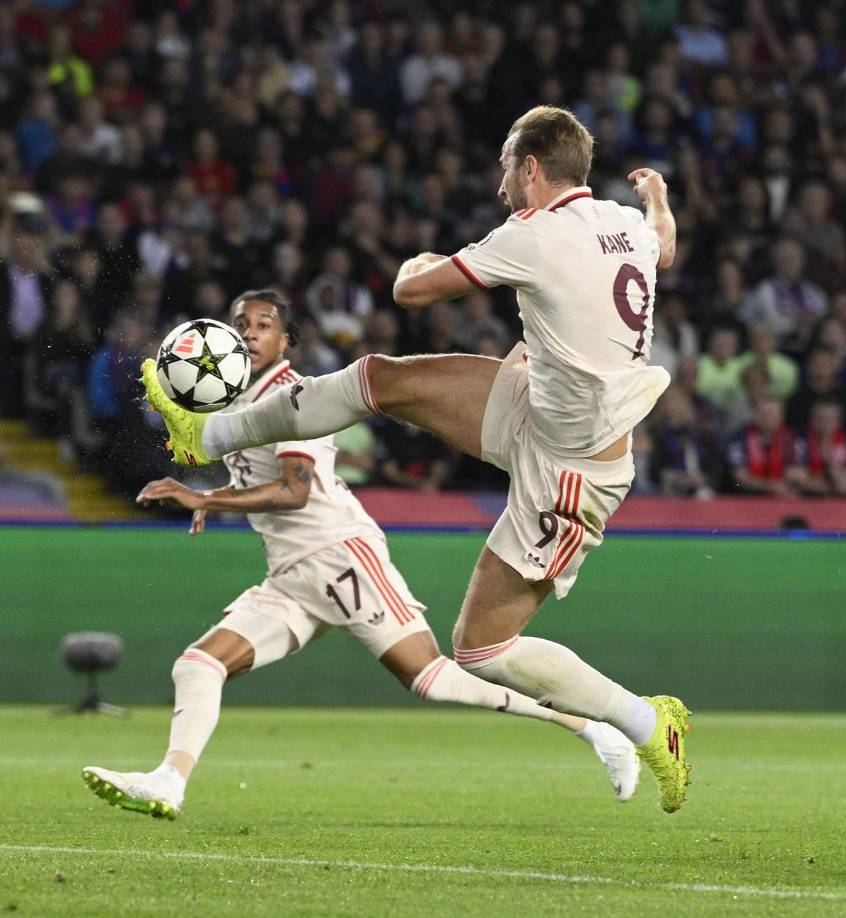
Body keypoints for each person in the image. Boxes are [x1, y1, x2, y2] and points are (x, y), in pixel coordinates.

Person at [141, 106, 692, 813]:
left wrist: (419, 259)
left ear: (529, 168)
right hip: (538, 404)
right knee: (380, 378)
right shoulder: (622, 222)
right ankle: (210, 437)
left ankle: (647, 723)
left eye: (504, 169)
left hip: (572, 469)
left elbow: (410, 290)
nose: (499, 187)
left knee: (478, 650)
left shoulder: (533, 233)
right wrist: (657, 199)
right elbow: (664, 247)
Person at [84, 290, 639, 818]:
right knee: (198, 665)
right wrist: (217, 497)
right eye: (242, 324)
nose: (250, 334)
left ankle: (593, 728)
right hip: (291, 574)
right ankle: (169, 782)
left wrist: (205, 496)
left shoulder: (291, 397)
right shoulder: (241, 404)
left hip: (339, 556)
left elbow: (295, 489)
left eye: (264, 325)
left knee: (430, 678)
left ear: (286, 342)